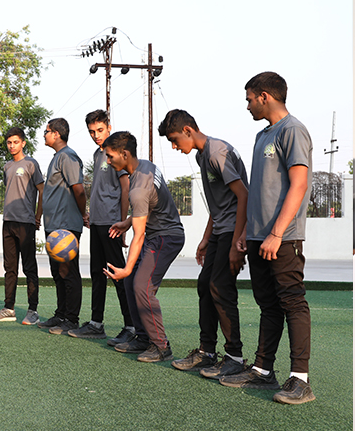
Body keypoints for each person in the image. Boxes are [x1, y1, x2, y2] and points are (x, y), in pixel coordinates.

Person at [219, 72, 315, 404]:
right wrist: (247, 232)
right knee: (268, 305)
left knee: (293, 302)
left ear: (264, 96)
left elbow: (299, 184)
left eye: (249, 99)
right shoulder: (262, 136)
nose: (247, 106)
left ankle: (300, 380)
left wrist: (276, 233)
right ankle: (262, 370)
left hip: (283, 237)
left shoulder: (292, 130)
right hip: (258, 236)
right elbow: (259, 190)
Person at [158, 109, 249, 378]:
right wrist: (206, 238)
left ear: (188, 130)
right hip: (221, 230)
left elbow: (243, 195)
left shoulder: (215, 152)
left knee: (220, 287)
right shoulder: (202, 155)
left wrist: (238, 241)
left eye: (175, 140)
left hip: (233, 230)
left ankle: (234, 357)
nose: (174, 147)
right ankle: (207, 351)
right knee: (205, 285)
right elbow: (218, 203)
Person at [103, 131, 185, 363]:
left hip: (166, 237)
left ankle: (161, 346)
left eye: (110, 156)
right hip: (157, 233)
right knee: (132, 283)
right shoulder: (146, 166)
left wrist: (127, 268)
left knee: (141, 285)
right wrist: (128, 221)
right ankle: (142, 337)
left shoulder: (137, 188)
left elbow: (139, 236)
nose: (108, 161)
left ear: (124, 154)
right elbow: (150, 206)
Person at [69, 109, 134, 344]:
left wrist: (123, 223)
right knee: (97, 273)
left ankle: (132, 326)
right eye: (91, 132)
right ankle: (96, 324)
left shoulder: (117, 153)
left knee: (118, 274)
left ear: (108, 127)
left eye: (99, 130)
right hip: (97, 223)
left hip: (112, 224)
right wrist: (90, 215)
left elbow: (125, 189)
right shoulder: (98, 154)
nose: (96, 135)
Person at [0, 127, 44, 325]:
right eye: (9, 143)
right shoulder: (7, 166)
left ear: (23, 143)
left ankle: (33, 311)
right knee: (10, 268)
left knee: (29, 268)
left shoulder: (31, 164)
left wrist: (38, 216)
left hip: (26, 222)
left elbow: (42, 190)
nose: (12, 146)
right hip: (8, 222)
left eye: (15, 142)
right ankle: (8, 309)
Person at [38, 118, 88, 335]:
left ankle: (71, 319)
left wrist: (83, 214)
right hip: (54, 226)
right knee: (57, 272)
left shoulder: (68, 156)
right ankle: (60, 314)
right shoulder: (57, 157)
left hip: (66, 226)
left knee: (68, 272)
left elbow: (79, 189)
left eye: (47, 131)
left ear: (56, 134)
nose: (44, 134)